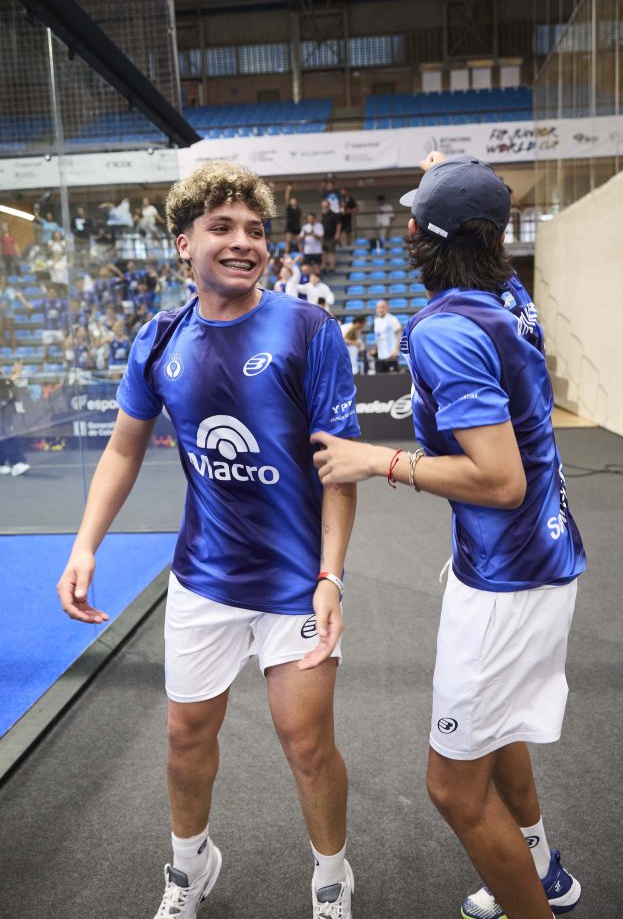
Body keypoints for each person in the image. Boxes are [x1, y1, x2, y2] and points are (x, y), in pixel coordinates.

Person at [56, 160, 360, 919]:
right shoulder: (158, 337)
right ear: (183, 243)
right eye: (221, 227)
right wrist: (85, 545)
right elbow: (123, 449)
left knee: (307, 744)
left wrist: (332, 576)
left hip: (296, 583)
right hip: (203, 578)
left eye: (254, 229)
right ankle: (190, 867)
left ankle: (332, 879)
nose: (242, 242)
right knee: (186, 735)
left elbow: (338, 471)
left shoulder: (308, 329)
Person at [309, 152, 586, 919]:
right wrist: (451, 177)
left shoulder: (443, 331)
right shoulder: (507, 294)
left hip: (507, 577)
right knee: (496, 735)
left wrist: (378, 460)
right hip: (536, 555)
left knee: (452, 787)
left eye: (413, 215)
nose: (403, 225)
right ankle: (541, 872)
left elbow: (499, 480)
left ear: (419, 237)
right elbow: (472, 223)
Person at [0, 359, 31, 477]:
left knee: (3, 434)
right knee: (7, 434)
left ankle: (1, 463)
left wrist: (15, 374)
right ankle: (17, 462)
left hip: (5, 408)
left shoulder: (2, 374)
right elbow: (5, 384)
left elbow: (6, 384)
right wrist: (16, 373)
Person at [372, 299, 402, 373]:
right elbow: (377, 337)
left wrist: (396, 349)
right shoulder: (376, 320)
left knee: (392, 377)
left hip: (391, 355)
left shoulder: (392, 319)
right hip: (380, 356)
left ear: (387, 308)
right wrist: (374, 349)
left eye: (383, 307)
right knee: (379, 378)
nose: (380, 309)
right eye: (378, 307)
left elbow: (400, 332)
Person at [320, 198, 341, 273]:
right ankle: (323, 265)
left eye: (325, 206)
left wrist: (337, 234)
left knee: (331, 252)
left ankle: (332, 266)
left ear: (329, 206)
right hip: (324, 236)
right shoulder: (323, 215)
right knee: (323, 251)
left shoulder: (334, 214)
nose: (324, 207)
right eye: (323, 206)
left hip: (331, 236)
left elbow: (339, 224)